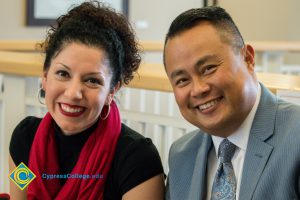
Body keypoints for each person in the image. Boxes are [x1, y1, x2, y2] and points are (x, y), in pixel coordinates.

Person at [9, 1, 165, 199]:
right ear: (45, 78)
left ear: (111, 91)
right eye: (63, 73)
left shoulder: (137, 158)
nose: (74, 93)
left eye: (92, 80)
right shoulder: (25, 139)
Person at [163, 6, 300, 200]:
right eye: (182, 80)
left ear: (248, 59)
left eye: (208, 68)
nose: (198, 89)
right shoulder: (181, 154)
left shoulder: (295, 138)